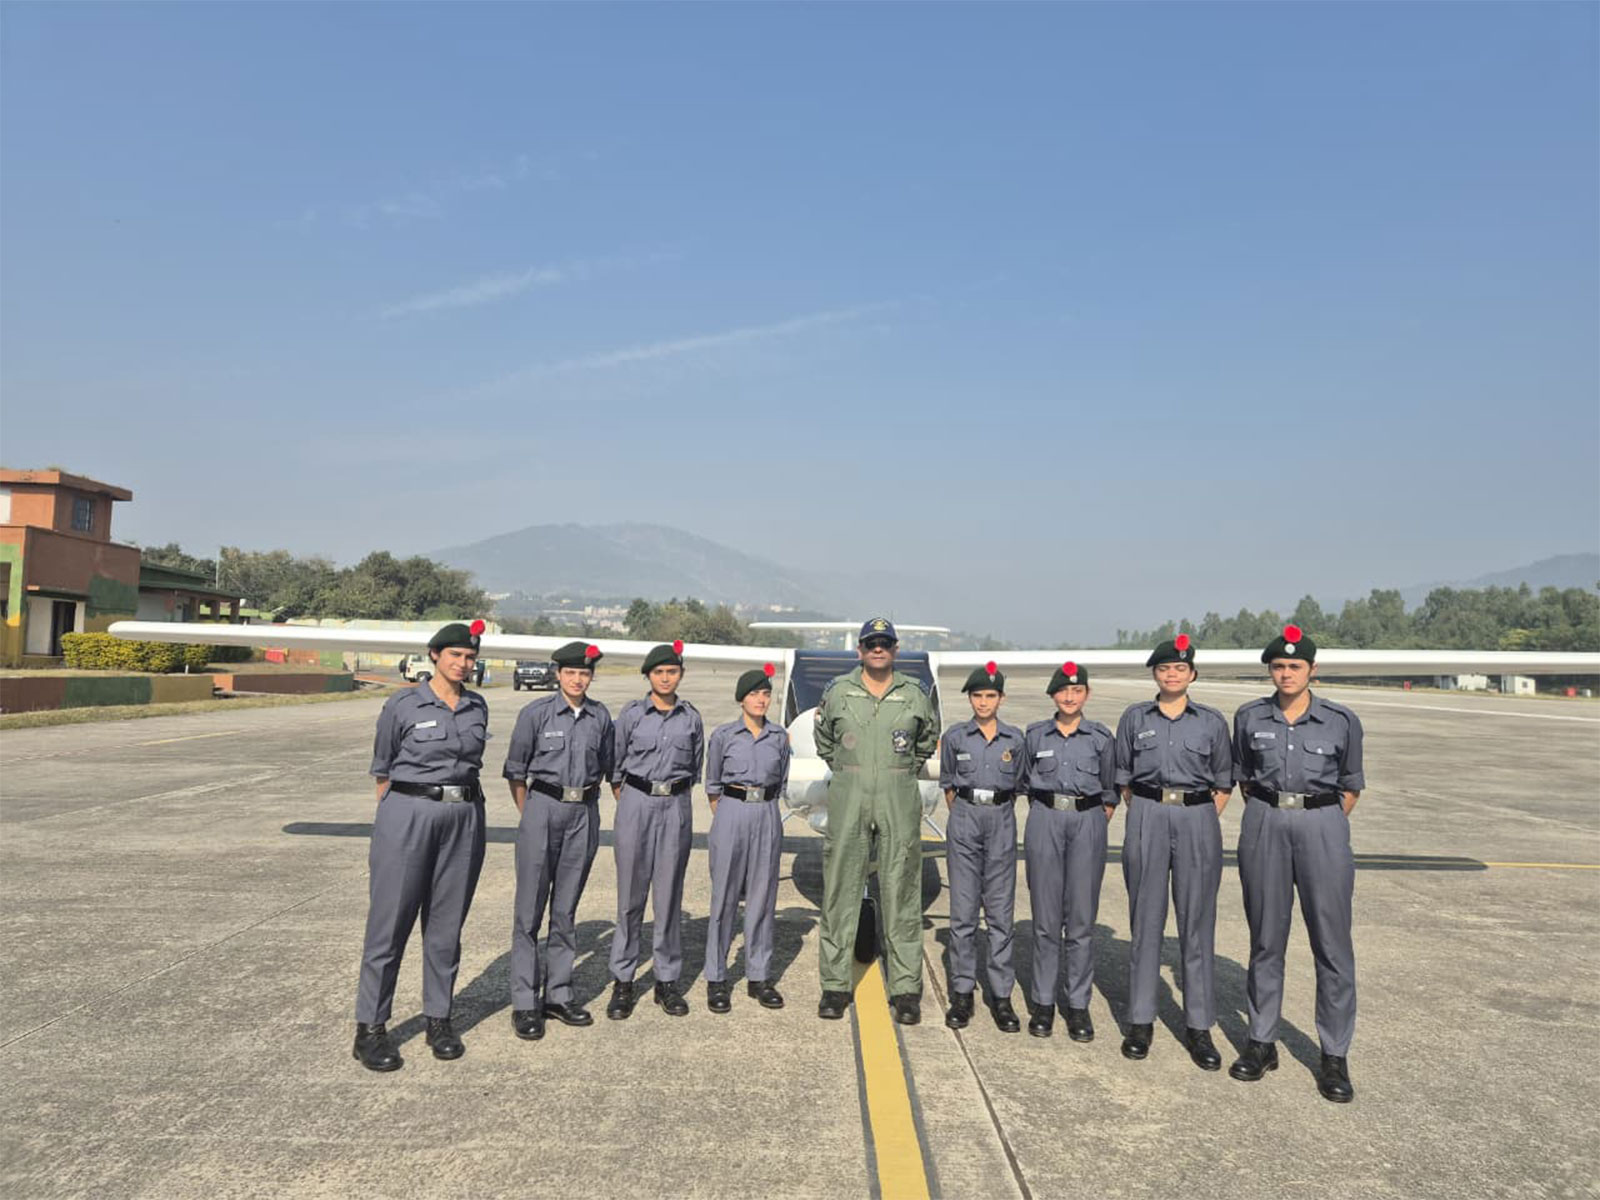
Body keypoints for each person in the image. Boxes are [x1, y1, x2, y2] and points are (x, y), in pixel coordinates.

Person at [1230, 625, 1365, 1103]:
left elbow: (1350, 785)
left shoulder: (1340, 720)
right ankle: (1262, 1041)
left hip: (1322, 826)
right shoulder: (1249, 716)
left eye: (1295, 666)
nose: (1286, 673)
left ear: (1311, 670)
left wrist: (1314, 818)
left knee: (1331, 943)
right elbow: (1245, 778)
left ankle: (1333, 1054)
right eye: (1279, 666)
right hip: (1265, 821)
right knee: (1266, 938)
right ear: (1270, 669)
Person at [353, 620, 489, 1072]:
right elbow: (383, 770)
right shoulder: (403, 704)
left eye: (469, 657)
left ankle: (439, 1018)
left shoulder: (477, 707)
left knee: (446, 928)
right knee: (390, 924)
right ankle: (370, 1028)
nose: (463, 664)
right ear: (434, 656)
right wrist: (395, 823)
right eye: (455, 655)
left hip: (463, 818)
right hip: (408, 814)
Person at [1114, 634, 1233, 1069]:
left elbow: (1224, 782)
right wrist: (1151, 812)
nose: (1172, 674)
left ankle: (1198, 1026)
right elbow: (1123, 778)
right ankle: (1141, 1020)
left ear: (1192, 674)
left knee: (1196, 923)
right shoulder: (1134, 718)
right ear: (1155, 674)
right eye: (1164, 669)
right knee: (1145, 921)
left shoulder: (1212, 722)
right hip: (1146, 811)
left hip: (1197, 818)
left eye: (1180, 669)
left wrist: (1196, 816)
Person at [814, 618, 940, 1025]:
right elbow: (825, 743)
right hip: (849, 790)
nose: (878, 649)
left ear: (896, 649)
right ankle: (835, 985)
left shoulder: (914, 695)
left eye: (885, 643)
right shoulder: (838, 692)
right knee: (839, 889)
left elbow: (925, 741)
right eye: (871, 643)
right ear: (860, 651)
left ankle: (905, 989)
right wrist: (852, 770)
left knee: (902, 891)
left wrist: (896, 770)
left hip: (897, 792)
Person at [503, 640, 613, 1042]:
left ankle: (558, 994)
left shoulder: (600, 717)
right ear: (558, 675)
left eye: (584, 673)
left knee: (565, 910)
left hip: (582, 813)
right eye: (571, 673)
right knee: (529, 912)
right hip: (542, 809)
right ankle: (524, 1001)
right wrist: (532, 815)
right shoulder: (534, 714)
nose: (578, 679)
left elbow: (607, 767)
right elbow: (515, 772)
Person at [607, 640, 704, 1019]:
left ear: (680, 674)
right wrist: (633, 800)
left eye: (672, 672)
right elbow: (615, 767)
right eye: (659, 672)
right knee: (630, 899)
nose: (666, 678)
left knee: (668, 899)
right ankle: (623, 980)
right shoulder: (631, 715)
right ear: (648, 676)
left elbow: (695, 767)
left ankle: (666, 980)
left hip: (675, 806)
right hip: (636, 802)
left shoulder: (691, 718)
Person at [1022, 661, 1116, 1041]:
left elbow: (1110, 790)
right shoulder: (1035, 736)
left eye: (1077, 691)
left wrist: (1090, 820)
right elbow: (1025, 782)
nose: (1069, 697)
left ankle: (1077, 1005)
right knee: (1045, 919)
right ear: (1052, 696)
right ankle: (1043, 1002)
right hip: (1046, 818)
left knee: (1080, 919)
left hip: (1088, 821)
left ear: (1086, 695)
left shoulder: (1100, 737)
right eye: (1063, 691)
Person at [939, 662, 1026, 1032]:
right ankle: (962, 991)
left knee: (1000, 913)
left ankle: (1001, 995)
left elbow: (1020, 785)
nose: (984, 702)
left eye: (990, 695)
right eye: (977, 695)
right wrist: (965, 815)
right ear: (970, 698)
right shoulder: (956, 737)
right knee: (962, 912)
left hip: (1001, 820)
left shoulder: (1015, 740)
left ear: (1001, 698)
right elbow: (948, 785)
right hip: (965, 817)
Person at [703, 663, 792, 1013]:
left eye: (766, 694)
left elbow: (781, 780)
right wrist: (727, 816)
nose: (761, 700)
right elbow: (712, 784)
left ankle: (759, 976)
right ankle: (717, 977)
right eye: (754, 694)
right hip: (731, 812)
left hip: (767, 813)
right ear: (742, 699)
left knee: (762, 898)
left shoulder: (778, 737)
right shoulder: (724, 736)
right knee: (723, 897)